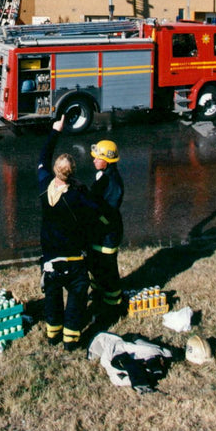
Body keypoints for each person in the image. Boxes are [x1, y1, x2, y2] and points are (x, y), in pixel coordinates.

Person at [37, 116, 106, 352]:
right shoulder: (79, 196)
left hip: (50, 260)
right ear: (73, 172)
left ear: (55, 171)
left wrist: (55, 131)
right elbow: (96, 212)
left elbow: (42, 157)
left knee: (52, 297)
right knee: (76, 299)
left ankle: (52, 332)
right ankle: (71, 339)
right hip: (74, 260)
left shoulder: (43, 184)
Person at [87, 138, 125, 326]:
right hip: (98, 232)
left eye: (97, 158)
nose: (94, 160)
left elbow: (108, 213)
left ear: (107, 160)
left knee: (108, 269)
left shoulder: (114, 183)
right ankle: (97, 293)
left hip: (107, 233)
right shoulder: (102, 175)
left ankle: (113, 305)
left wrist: (93, 217)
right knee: (95, 265)